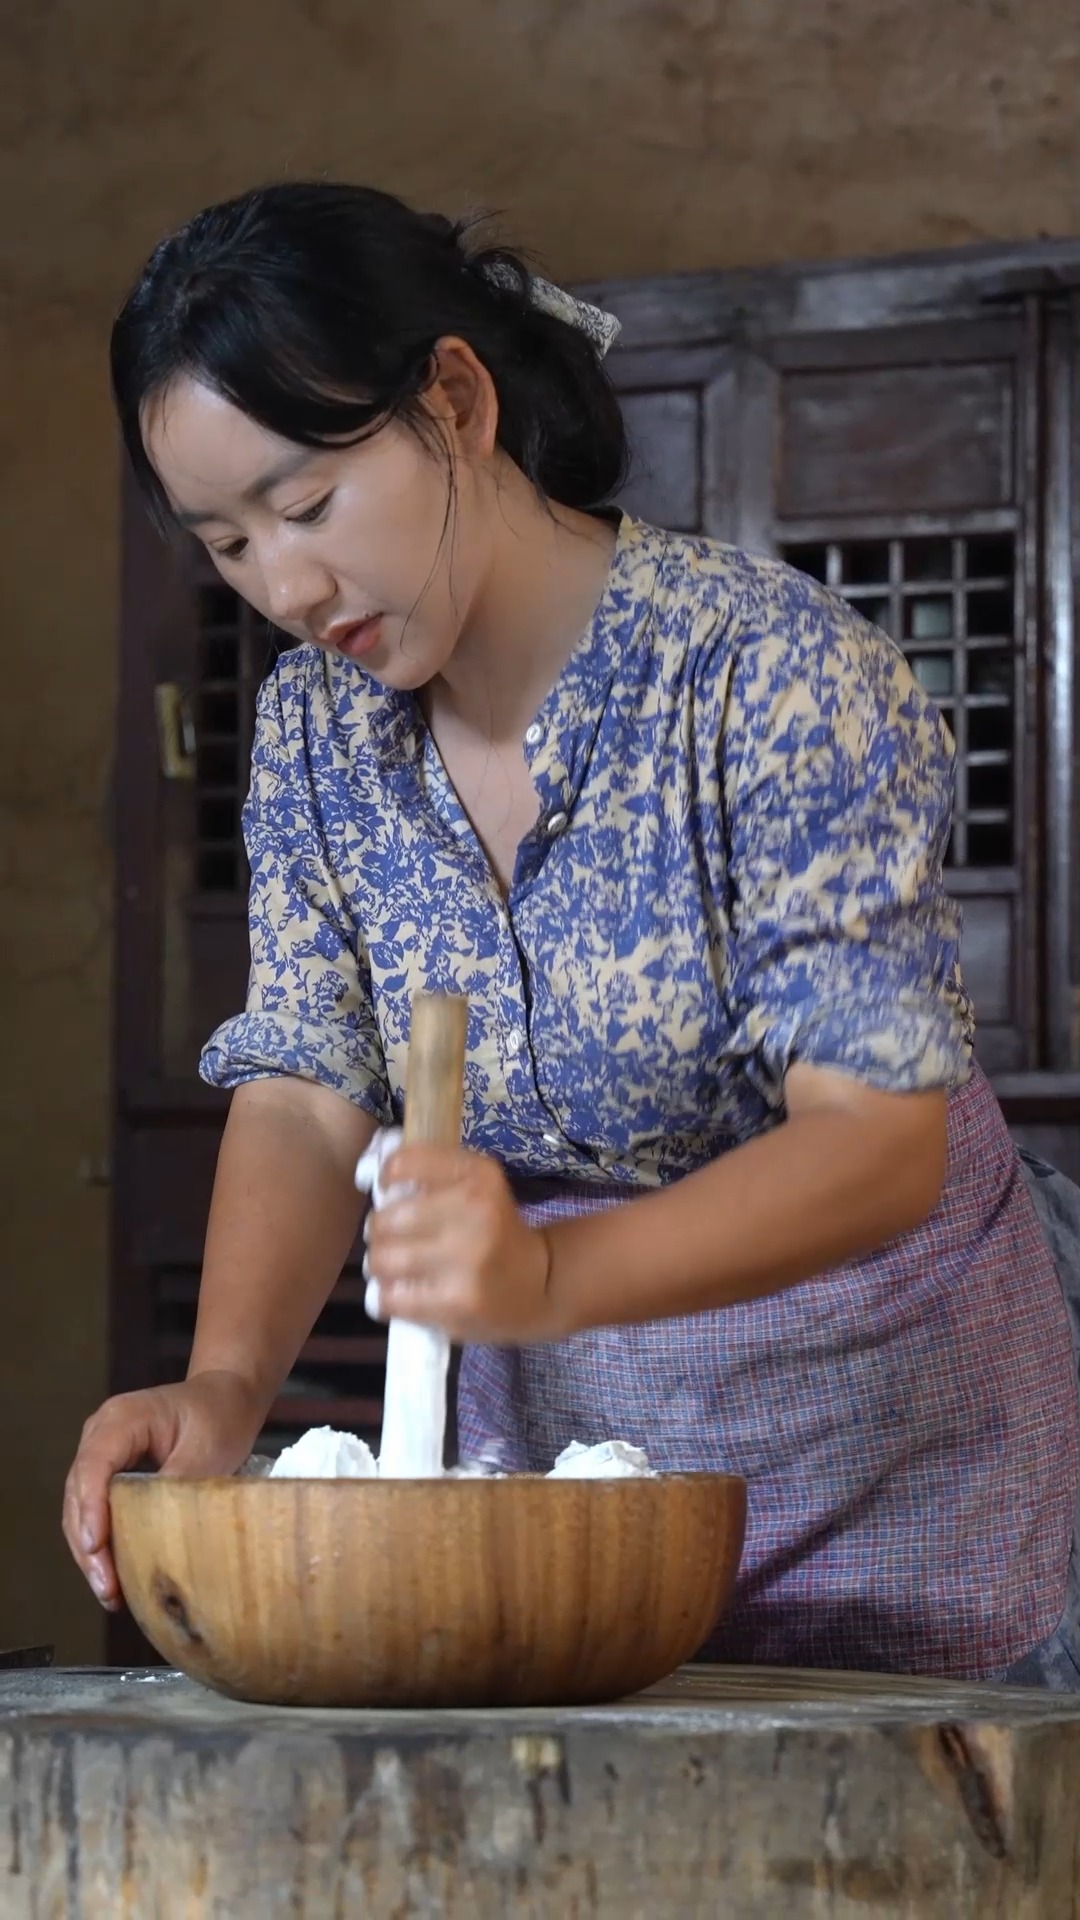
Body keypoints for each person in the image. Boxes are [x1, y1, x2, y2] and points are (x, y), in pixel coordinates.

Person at [64, 181, 1080, 1686]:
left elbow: (879, 1142)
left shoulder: (770, 675)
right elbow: (303, 1078)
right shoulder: (315, 736)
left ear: (455, 404)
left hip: (895, 1454)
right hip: (573, 1483)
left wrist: (539, 1286)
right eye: (225, 543)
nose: (283, 587)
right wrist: (224, 1385)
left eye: (307, 504)